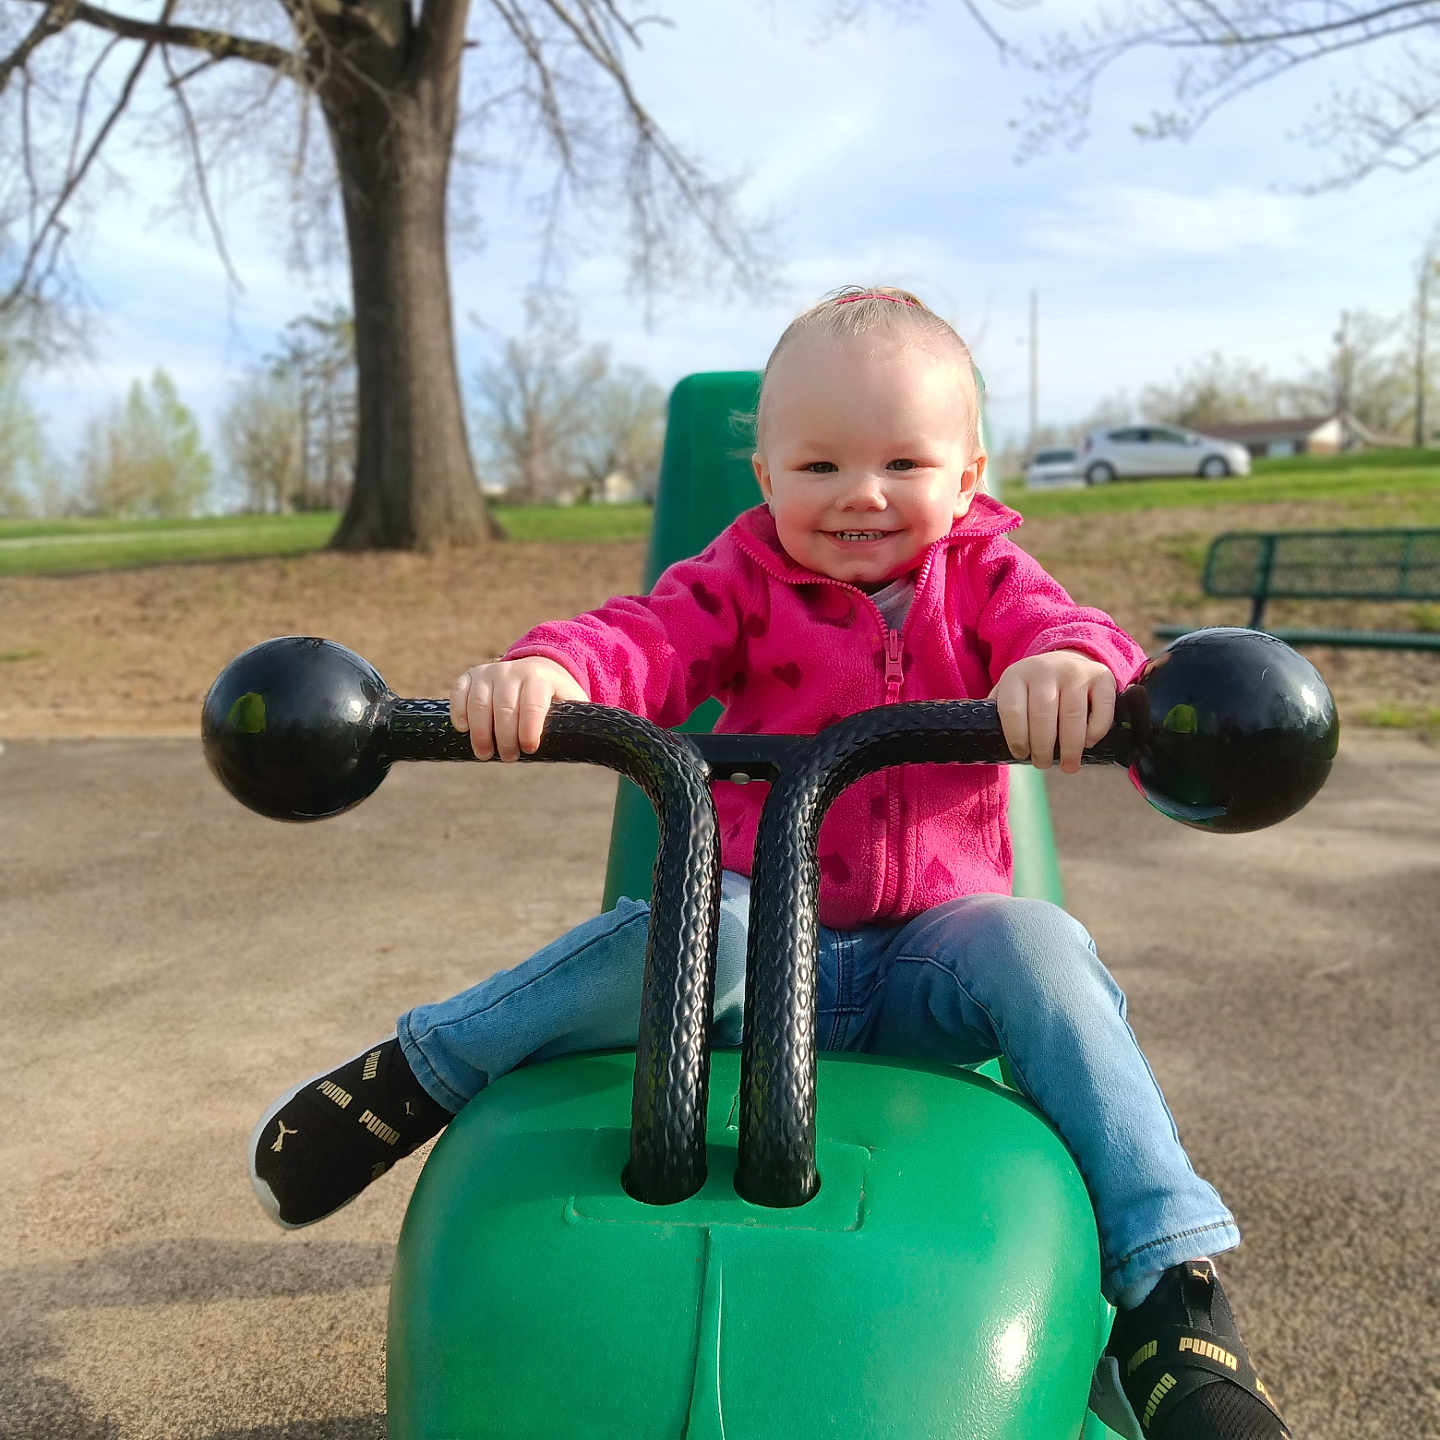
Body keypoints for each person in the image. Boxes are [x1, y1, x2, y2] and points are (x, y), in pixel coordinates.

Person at [250, 286, 1290, 1440]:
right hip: (757, 937)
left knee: (1039, 944)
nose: (862, 493)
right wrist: (553, 671)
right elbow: (644, 638)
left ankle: (1169, 1293)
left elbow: (1071, 631)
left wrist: (1068, 669)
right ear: (765, 478)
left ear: (969, 473)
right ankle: (420, 1074)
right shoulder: (741, 578)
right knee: (678, 935)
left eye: (905, 460)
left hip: (926, 960)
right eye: (818, 466)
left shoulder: (988, 577)